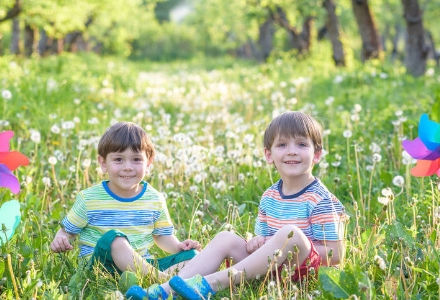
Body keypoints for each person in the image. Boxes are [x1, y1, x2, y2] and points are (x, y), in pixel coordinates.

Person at [126, 111, 347, 300]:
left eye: (301, 144)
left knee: (292, 234)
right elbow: (259, 246)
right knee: (226, 237)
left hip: (304, 272)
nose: (291, 151)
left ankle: (208, 284)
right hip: (270, 270)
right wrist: (258, 242)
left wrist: (285, 241)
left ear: (316, 154)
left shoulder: (320, 199)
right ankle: (163, 291)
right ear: (268, 155)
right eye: (282, 144)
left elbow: (335, 254)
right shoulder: (270, 196)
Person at [50, 122, 201, 281]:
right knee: (115, 239)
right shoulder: (89, 199)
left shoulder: (154, 198)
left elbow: (162, 236)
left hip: (142, 265)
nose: (128, 167)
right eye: (119, 159)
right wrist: (61, 239)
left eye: (136, 159)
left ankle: (159, 279)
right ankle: (165, 281)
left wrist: (179, 247)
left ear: (148, 163)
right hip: (101, 268)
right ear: (103, 163)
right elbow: (68, 231)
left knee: (192, 256)